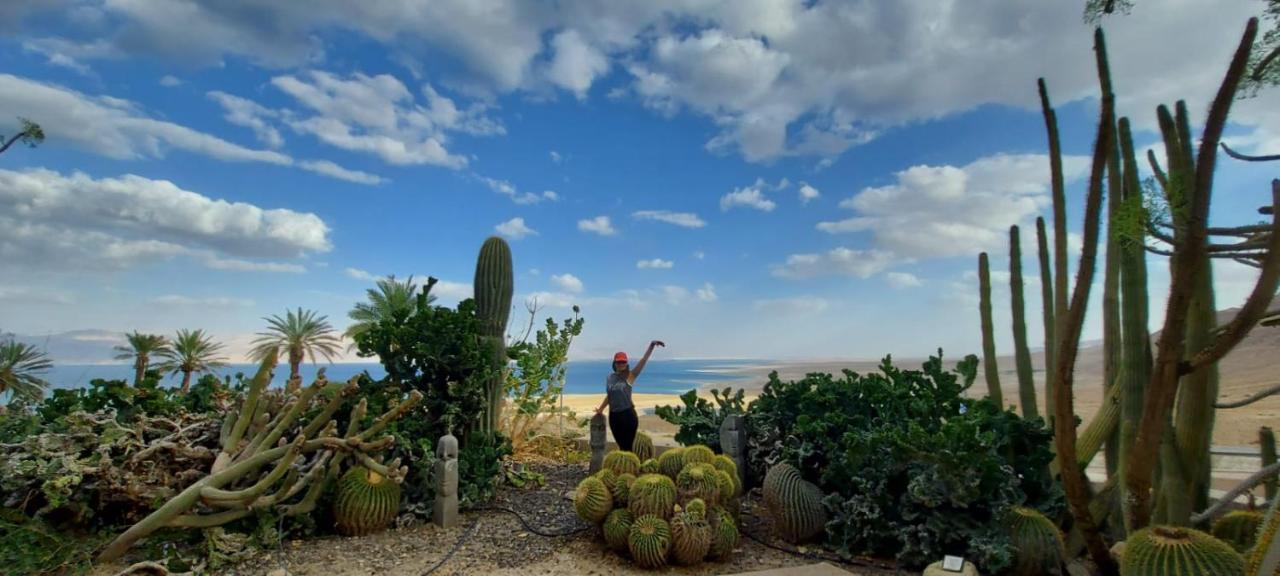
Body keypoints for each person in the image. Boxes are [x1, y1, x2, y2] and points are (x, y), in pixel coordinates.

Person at [595, 339, 664, 453]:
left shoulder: (631, 375)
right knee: (621, 446)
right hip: (614, 416)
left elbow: (643, 361)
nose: (621, 364)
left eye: (623, 362)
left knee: (628, 447)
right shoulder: (610, 378)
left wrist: (651, 346)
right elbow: (610, 395)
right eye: (619, 362)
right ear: (614, 363)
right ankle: (624, 468)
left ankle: (630, 468)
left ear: (626, 363)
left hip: (628, 415)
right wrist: (601, 409)